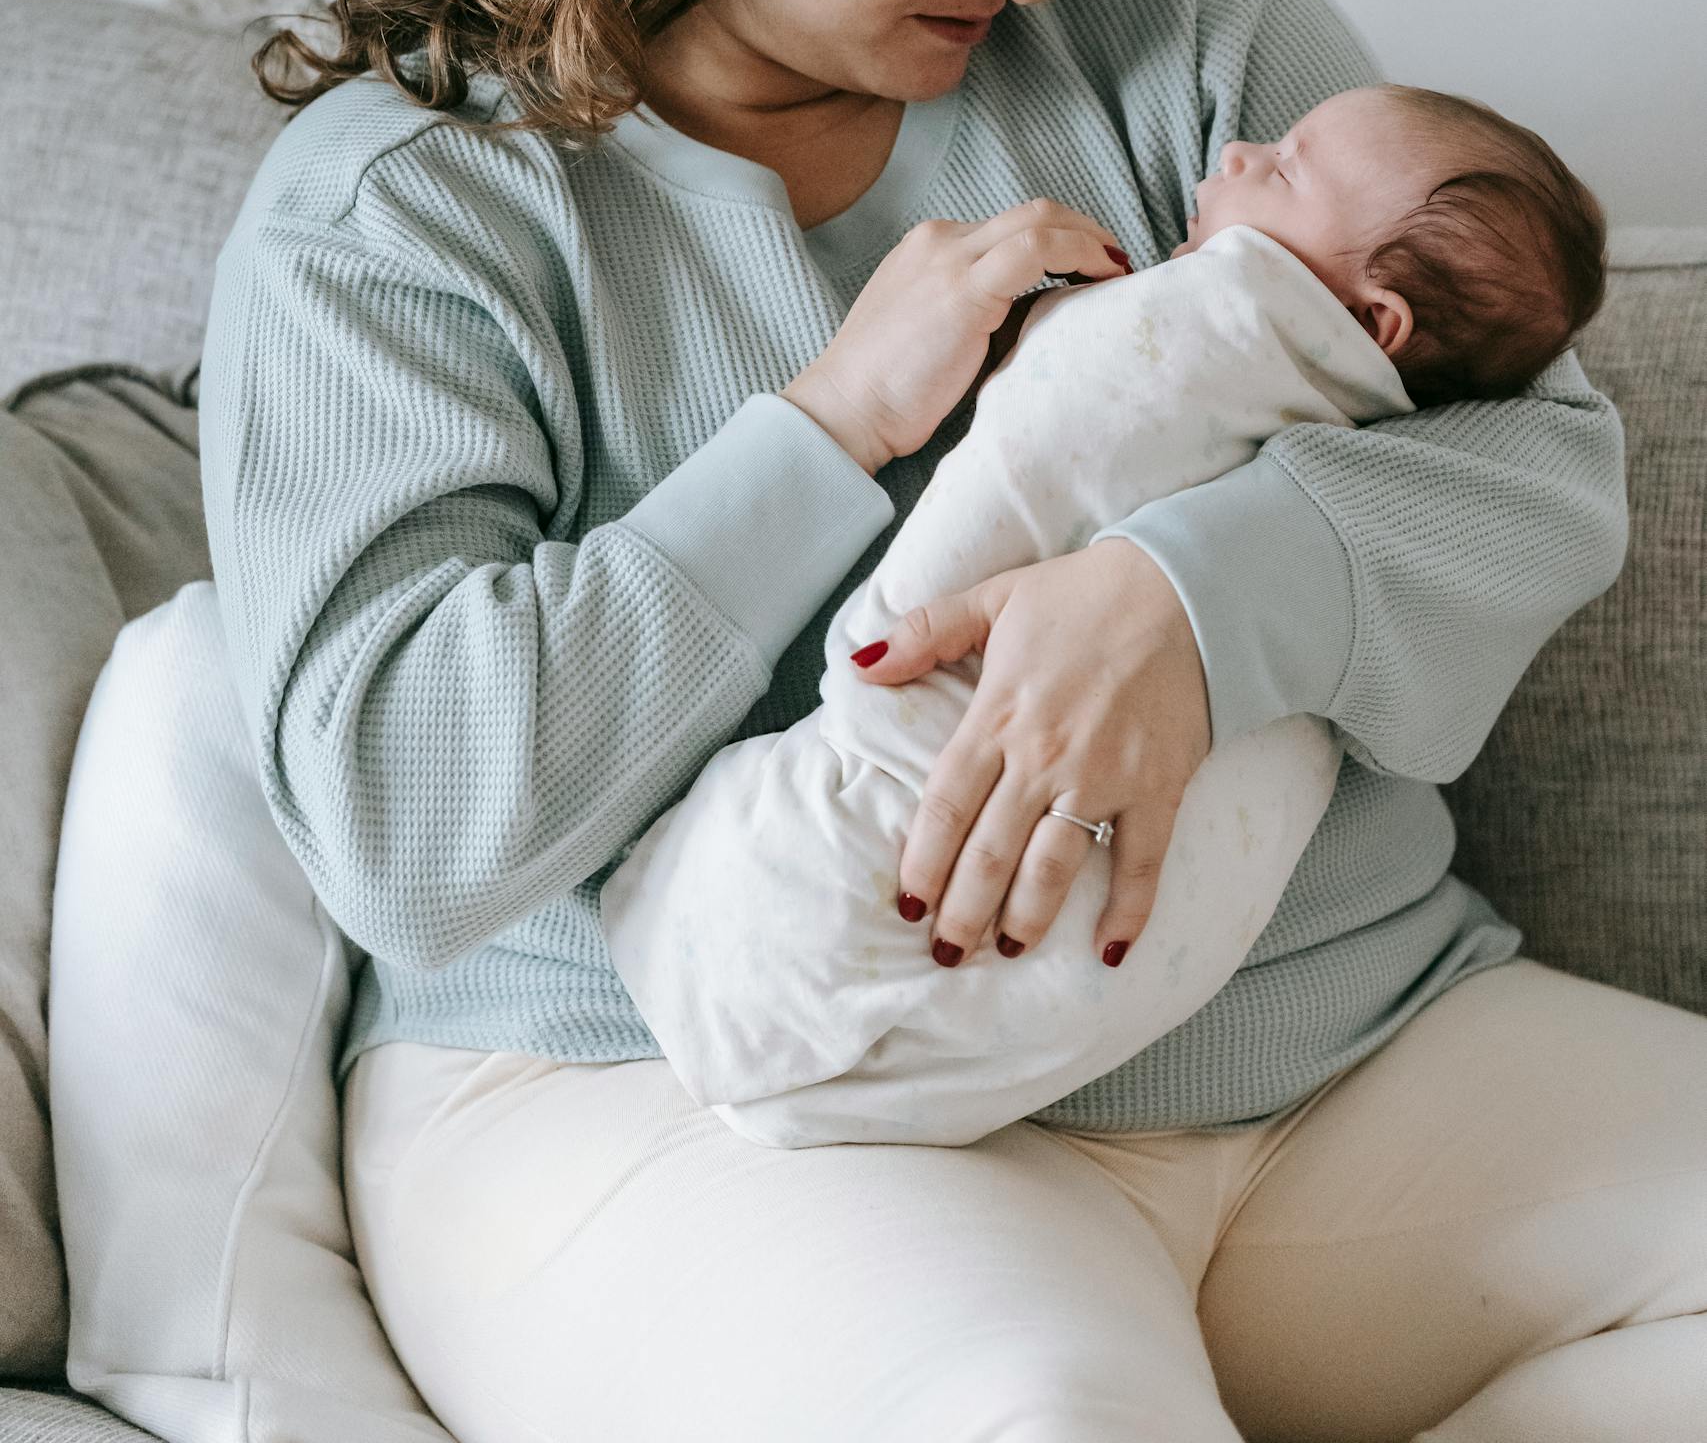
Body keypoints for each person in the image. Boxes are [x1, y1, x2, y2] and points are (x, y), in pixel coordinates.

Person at [199, 0, 1706, 1441]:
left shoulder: (1178, 19)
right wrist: (820, 431)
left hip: (1314, 1047)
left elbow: (1540, 463)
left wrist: (1186, 596)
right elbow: (403, 810)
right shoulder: (413, 207)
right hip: (693, 1090)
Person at [599, 82, 1612, 1150]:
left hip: (1370, 1033)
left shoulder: (1238, 261)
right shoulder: (432, 179)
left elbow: (1563, 473)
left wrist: (1184, 589)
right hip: (842, 1127)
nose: (1237, 152)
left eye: (1285, 168)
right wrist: (842, 412)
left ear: (1372, 325)